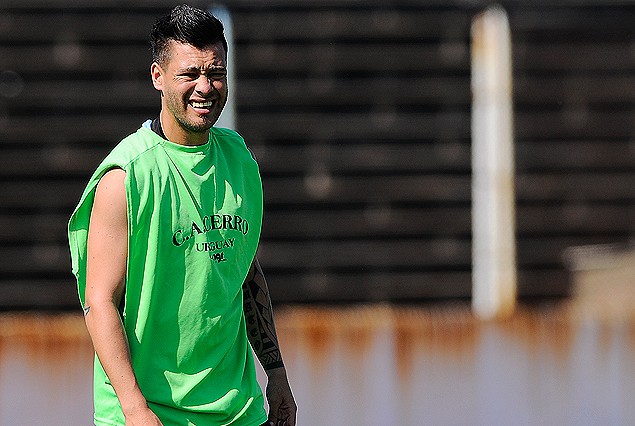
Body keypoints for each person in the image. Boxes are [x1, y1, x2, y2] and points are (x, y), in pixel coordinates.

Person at [68, 4, 296, 425]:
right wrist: (135, 408)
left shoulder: (239, 158)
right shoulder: (126, 176)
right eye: (189, 74)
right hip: (149, 413)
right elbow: (99, 302)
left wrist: (277, 373)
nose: (205, 87)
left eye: (215, 73)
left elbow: (242, 270)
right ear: (157, 77)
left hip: (238, 410)